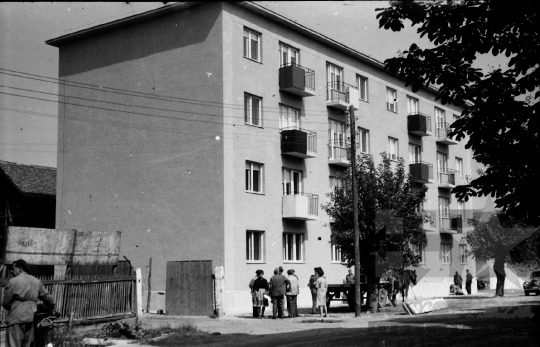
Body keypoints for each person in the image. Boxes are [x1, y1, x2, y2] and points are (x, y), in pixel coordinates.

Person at [2, 259, 55, 347]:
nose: (12, 271)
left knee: (13, 344)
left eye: (13, 268)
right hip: (31, 317)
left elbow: (5, 303)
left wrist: (14, 306)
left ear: (19, 268)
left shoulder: (13, 281)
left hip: (16, 318)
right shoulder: (36, 281)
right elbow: (49, 299)